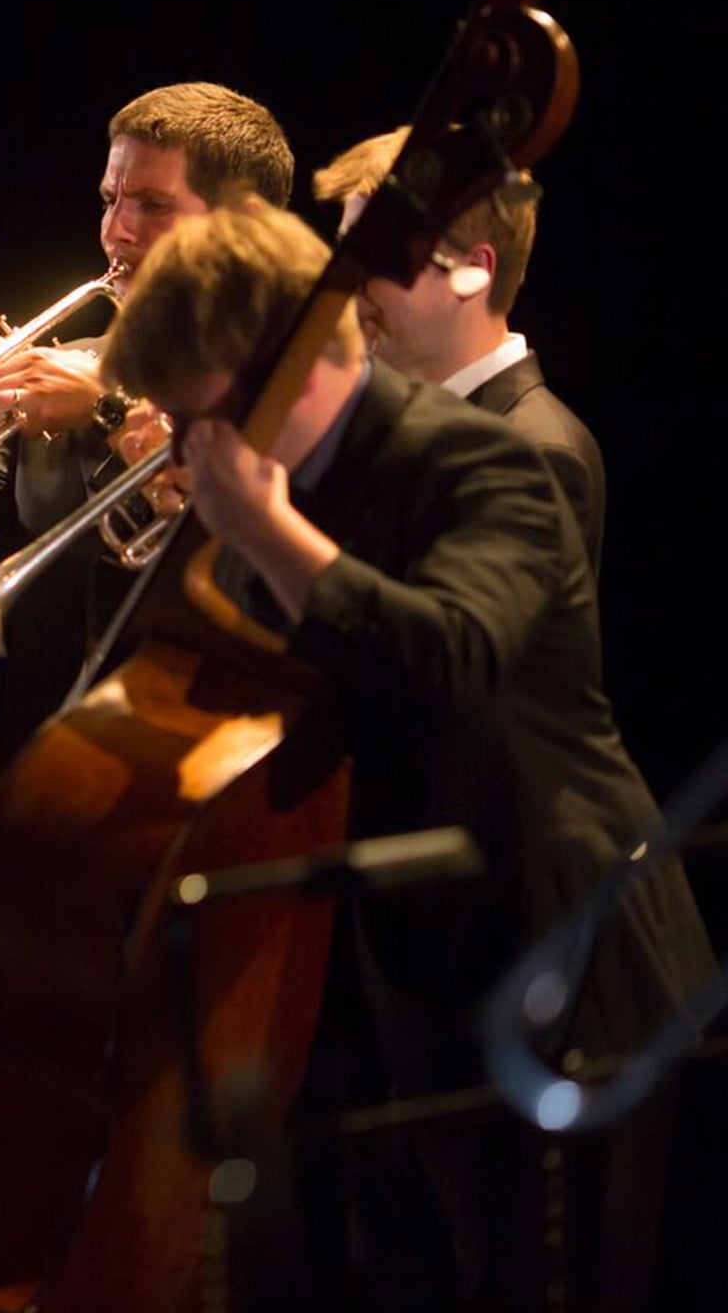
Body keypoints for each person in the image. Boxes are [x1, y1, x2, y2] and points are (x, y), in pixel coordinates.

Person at [99, 203, 713, 1308]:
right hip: (409, 968)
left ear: (267, 371)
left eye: (199, 418)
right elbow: (184, 717)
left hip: (555, 962)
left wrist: (269, 535)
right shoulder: (300, 486)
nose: (193, 451)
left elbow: (451, 666)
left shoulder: (495, 458)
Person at [0, 83, 293, 1019]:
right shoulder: (78, 358)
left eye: (152, 205)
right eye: (108, 201)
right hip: (39, 803)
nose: (116, 234)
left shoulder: (288, 385)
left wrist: (115, 411)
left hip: (200, 824)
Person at [315, 127, 605, 571]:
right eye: (347, 249)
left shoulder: (539, 454)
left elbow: (441, 637)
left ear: (473, 270)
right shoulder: (374, 421)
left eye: (379, 255)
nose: (350, 281)